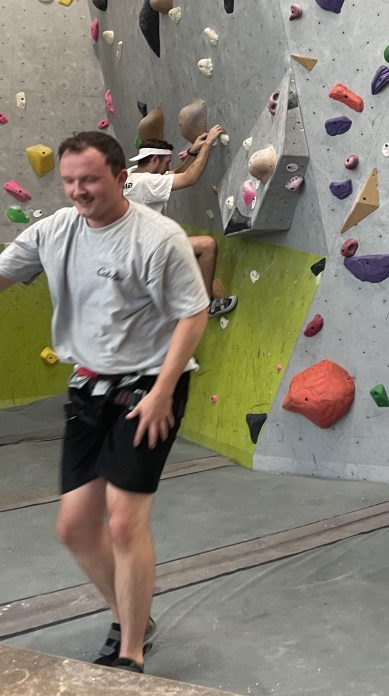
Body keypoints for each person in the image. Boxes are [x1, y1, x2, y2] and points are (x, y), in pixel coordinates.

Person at [0, 132, 210, 674]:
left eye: (89, 179)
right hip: (87, 386)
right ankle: (132, 612)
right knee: (73, 527)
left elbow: (193, 313)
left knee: (122, 524)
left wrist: (164, 390)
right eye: (70, 181)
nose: (78, 191)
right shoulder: (53, 231)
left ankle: (131, 651)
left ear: (121, 178)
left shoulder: (157, 237)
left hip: (148, 386)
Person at [123, 124, 236, 318]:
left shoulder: (132, 173)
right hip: (146, 255)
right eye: (167, 162)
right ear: (155, 159)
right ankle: (207, 307)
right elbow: (190, 178)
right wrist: (208, 144)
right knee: (207, 246)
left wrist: (192, 152)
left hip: (133, 253)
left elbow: (172, 175)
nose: (168, 167)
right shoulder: (146, 183)